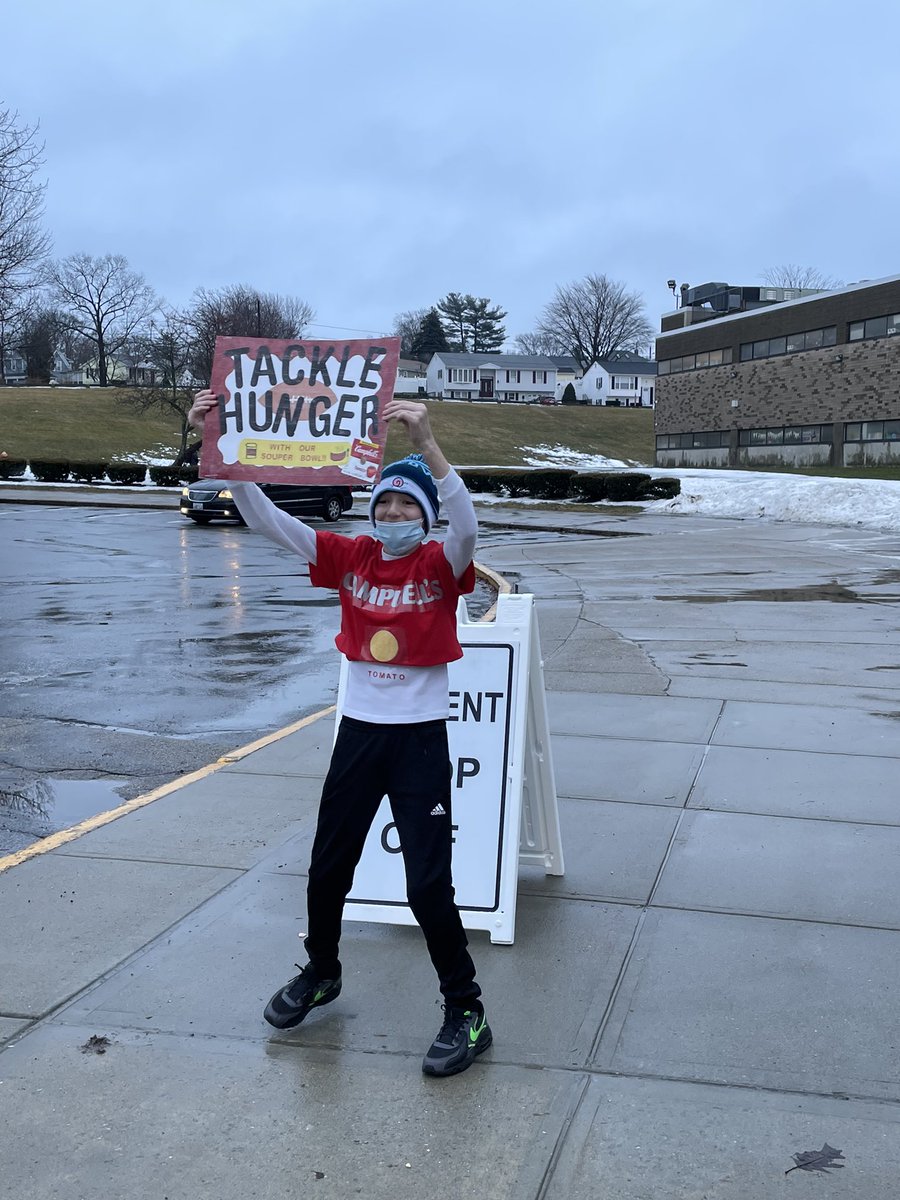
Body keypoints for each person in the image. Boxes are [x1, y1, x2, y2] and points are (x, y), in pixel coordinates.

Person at [187, 391, 491, 1078]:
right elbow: (265, 519)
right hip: (358, 735)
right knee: (328, 871)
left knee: (427, 889)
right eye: (385, 503)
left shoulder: (441, 564)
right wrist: (216, 443)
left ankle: (466, 1010)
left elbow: (468, 522)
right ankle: (322, 971)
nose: (393, 514)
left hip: (417, 743)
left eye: (407, 505)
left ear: (426, 516)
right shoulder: (349, 556)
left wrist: (429, 445)